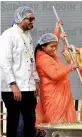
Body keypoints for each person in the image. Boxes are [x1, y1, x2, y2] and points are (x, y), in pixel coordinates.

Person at [0, 6, 39, 137]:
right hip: (13, 89)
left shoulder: (28, 36)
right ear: (20, 19)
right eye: (30, 19)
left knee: (30, 121)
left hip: (28, 87)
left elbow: (31, 61)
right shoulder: (8, 35)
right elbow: (5, 62)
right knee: (13, 122)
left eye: (33, 18)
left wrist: (36, 82)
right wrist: (13, 84)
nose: (33, 21)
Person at [34, 21, 78, 126]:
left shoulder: (49, 53)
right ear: (43, 46)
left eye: (55, 46)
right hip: (52, 95)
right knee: (55, 121)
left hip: (60, 93)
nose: (54, 49)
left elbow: (53, 42)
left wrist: (57, 29)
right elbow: (55, 74)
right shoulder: (42, 58)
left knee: (64, 121)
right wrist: (70, 67)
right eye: (52, 47)